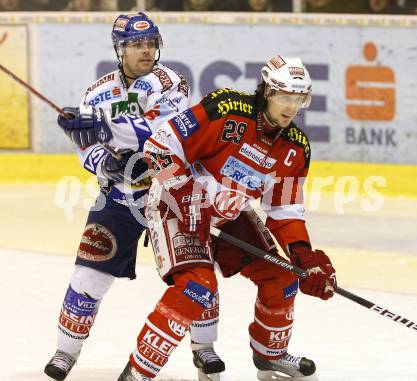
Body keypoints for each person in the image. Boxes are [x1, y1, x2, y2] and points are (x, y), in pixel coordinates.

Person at [108, 55, 337, 380]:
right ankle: (137, 373)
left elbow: (284, 209)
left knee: (283, 279)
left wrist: (305, 258)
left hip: (229, 214)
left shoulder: (295, 148)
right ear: (268, 91)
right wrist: (185, 193)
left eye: (299, 99)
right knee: (196, 289)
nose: (291, 107)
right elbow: (160, 146)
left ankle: (270, 355)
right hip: (177, 206)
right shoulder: (226, 108)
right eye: (285, 97)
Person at [44, 12, 224, 381]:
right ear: (119, 48)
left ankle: (204, 347)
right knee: (88, 275)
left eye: (150, 43)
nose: (146, 50)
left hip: (172, 193)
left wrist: (105, 129)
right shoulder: (97, 92)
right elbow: (88, 153)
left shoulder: (170, 81)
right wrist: (97, 152)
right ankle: (66, 352)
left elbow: (162, 128)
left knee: (196, 274)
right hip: (120, 198)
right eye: (137, 44)